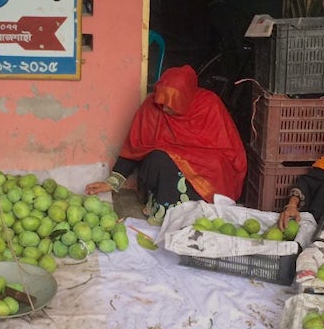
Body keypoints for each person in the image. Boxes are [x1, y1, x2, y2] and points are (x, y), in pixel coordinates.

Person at [85, 65, 246, 225]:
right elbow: (134, 148)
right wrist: (112, 183)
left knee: (215, 164)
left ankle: (198, 213)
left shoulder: (209, 104)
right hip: (164, 165)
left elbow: (227, 148)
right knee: (159, 159)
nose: (165, 107)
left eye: (171, 103)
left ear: (187, 98)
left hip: (204, 164)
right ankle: (162, 209)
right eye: (162, 101)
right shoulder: (152, 107)